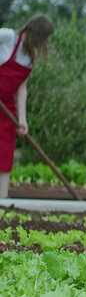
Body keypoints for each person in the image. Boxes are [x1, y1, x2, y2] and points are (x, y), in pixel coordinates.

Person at [0, 15, 54, 198]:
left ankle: (2, 201)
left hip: (6, 109)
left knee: (5, 155)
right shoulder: (7, 37)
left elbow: (22, 89)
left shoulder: (30, 58)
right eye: (43, 39)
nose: (43, 44)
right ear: (35, 34)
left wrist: (22, 120)